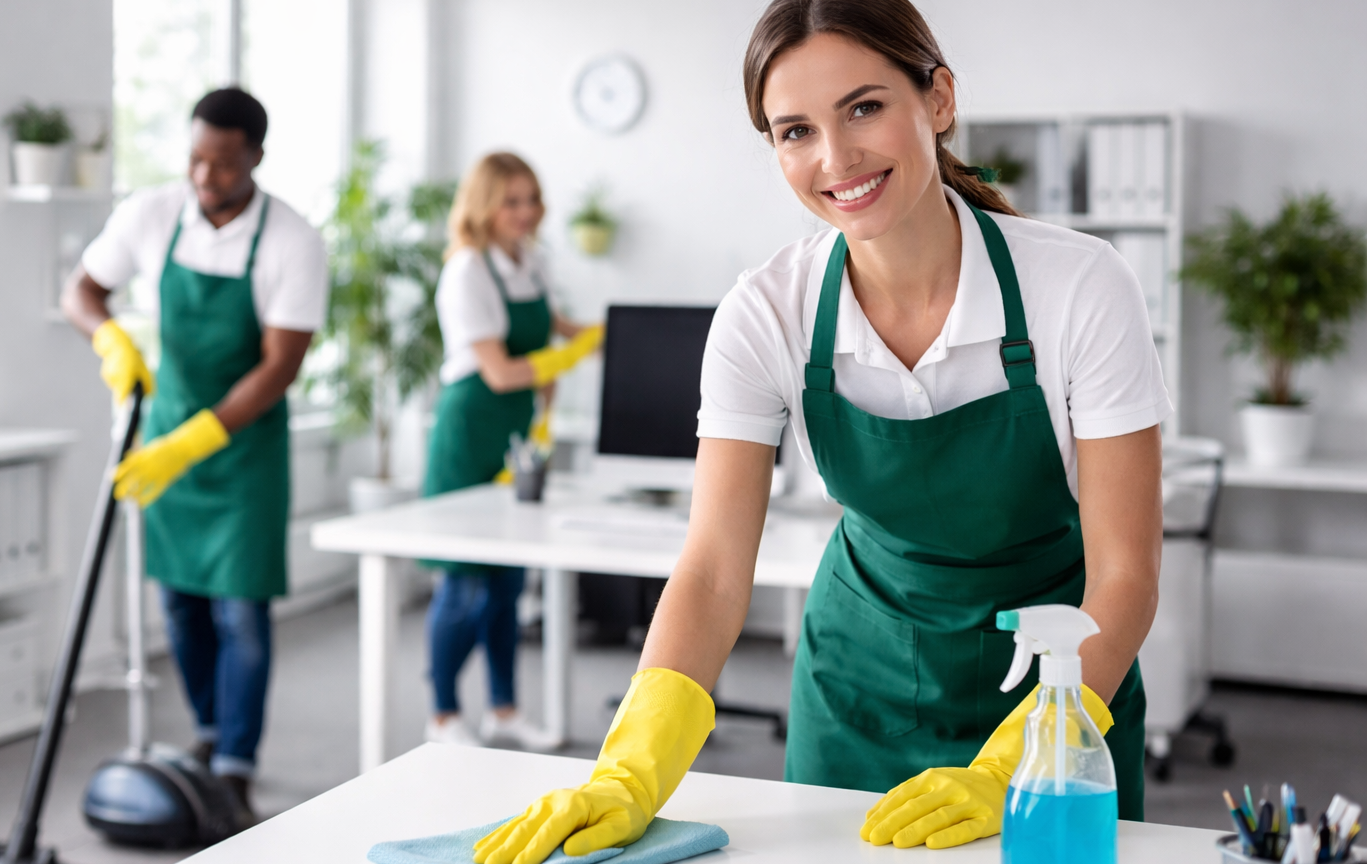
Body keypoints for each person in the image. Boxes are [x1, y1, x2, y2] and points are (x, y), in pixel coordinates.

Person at [473, 1, 1166, 861]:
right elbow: (715, 572)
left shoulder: (1080, 288)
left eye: (864, 107)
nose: (835, 159)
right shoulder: (768, 313)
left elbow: (1128, 574)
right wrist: (630, 768)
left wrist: (1015, 762)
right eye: (795, 130)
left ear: (939, 99)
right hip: (857, 682)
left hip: (1062, 690)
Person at [62, 87, 327, 825]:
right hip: (165, 434)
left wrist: (200, 438)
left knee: (241, 607)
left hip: (242, 448)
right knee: (179, 602)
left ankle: (237, 765)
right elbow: (81, 290)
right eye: (195, 159)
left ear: (256, 159)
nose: (205, 178)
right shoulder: (153, 212)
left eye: (223, 164)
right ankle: (209, 735)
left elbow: (279, 365)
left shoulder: (292, 241)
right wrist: (108, 338)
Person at [420, 152, 604, 751]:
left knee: (507, 582)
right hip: (470, 432)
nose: (526, 213)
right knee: (465, 584)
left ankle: (503, 709)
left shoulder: (530, 262)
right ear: (484, 204)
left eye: (532, 200)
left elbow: (554, 325)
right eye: (512, 201)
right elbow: (498, 371)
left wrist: (608, 333)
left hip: (517, 437)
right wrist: (563, 359)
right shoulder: (467, 270)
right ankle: (444, 715)